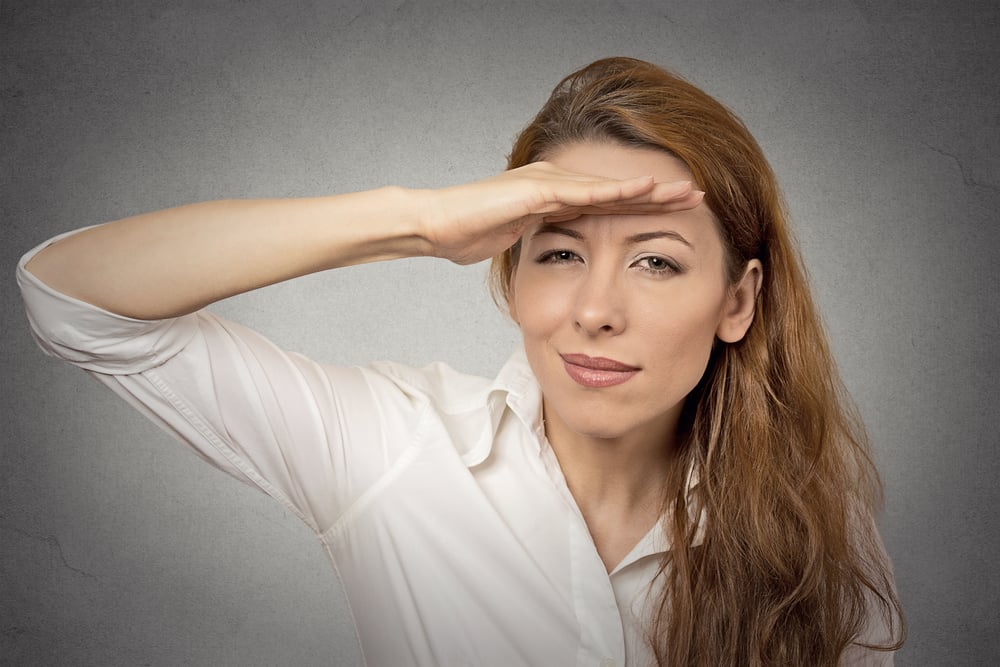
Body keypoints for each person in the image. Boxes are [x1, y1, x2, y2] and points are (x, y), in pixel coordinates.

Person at [17, 57, 903, 666]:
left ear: (738, 301)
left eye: (656, 262)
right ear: (512, 278)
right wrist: (419, 221)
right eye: (559, 252)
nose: (595, 309)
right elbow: (70, 297)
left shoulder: (812, 526)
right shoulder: (396, 449)